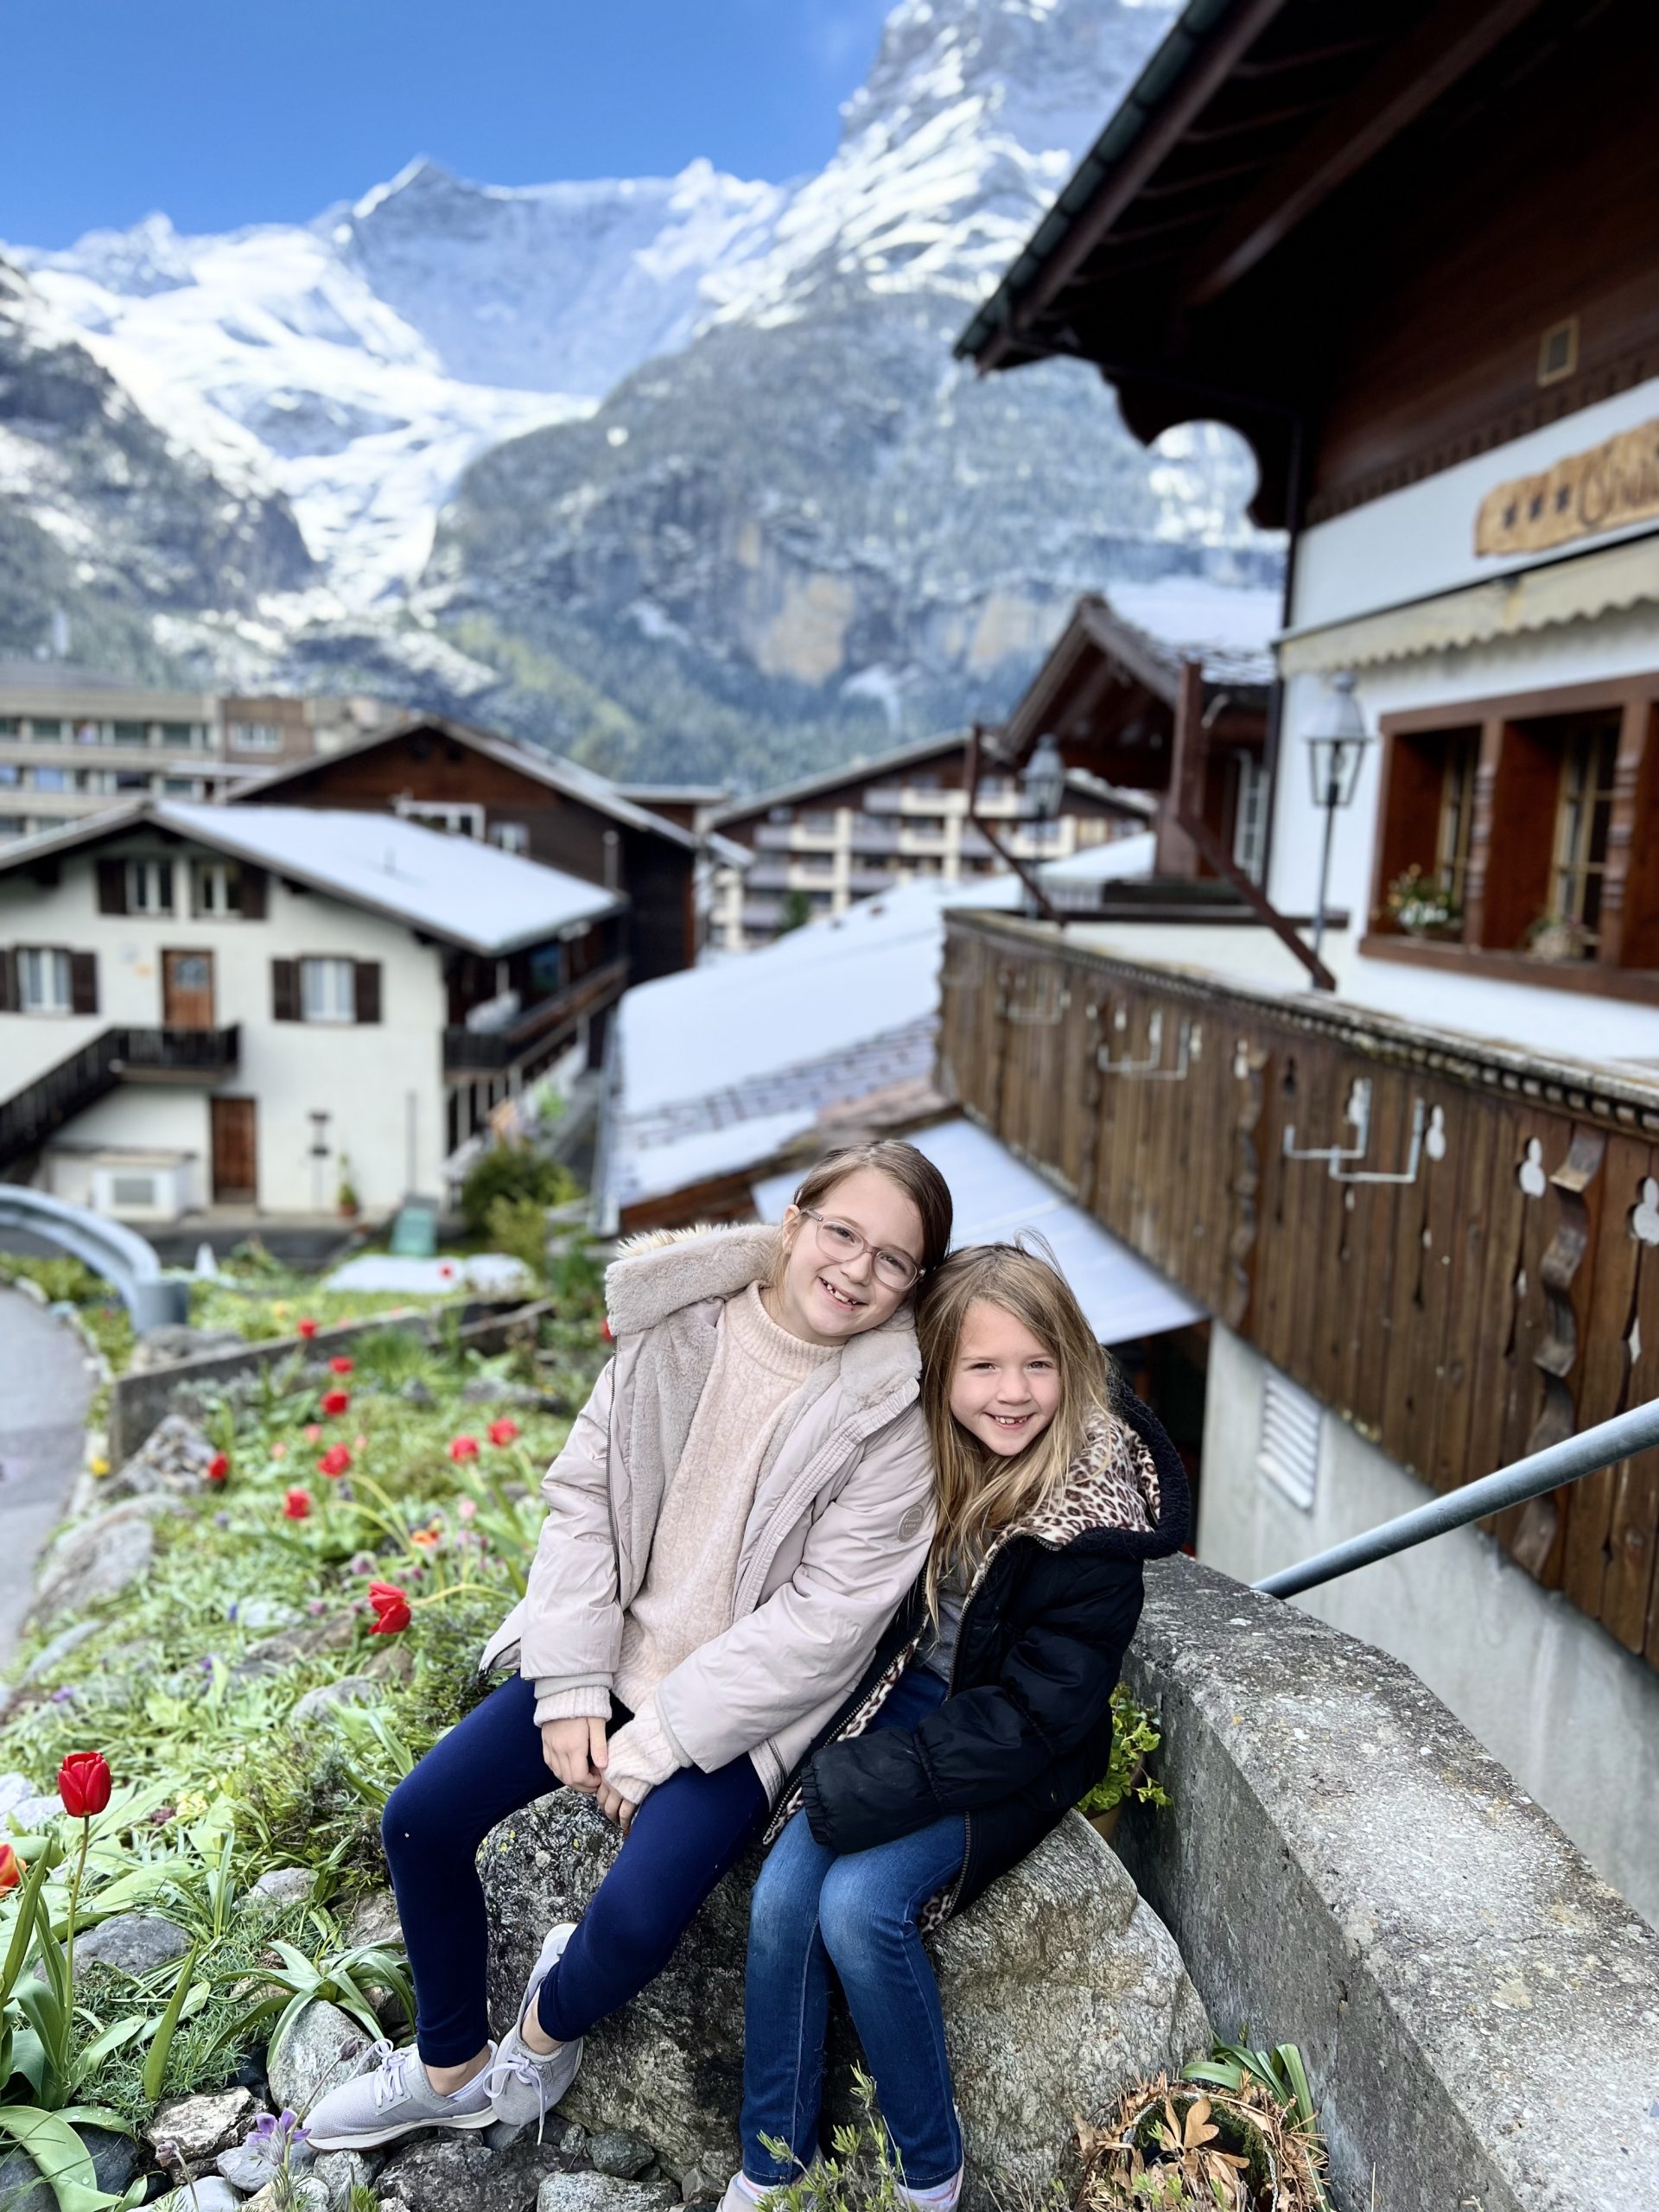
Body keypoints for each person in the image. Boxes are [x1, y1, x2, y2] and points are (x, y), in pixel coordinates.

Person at [305, 1141, 953, 2152]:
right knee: (420, 1820)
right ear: (794, 1221)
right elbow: (584, 1504)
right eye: (842, 1232)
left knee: (636, 1921)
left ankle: (534, 2038)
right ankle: (449, 2069)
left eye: (894, 1260)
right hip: (607, 1654)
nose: (857, 1269)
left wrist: (665, 1736)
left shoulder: (894, 1419)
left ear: (915, 1283)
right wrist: (568, 1681)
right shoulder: (676, 1326)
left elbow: (827, 1624)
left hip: (738, 1714)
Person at [728, 1242, 1190, 2212]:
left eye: (1037, 1363)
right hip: (907, 1702)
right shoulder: (921, 1453)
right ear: (941, 1373)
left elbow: (1038, 1712)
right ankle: (773, 2165)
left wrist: (870, 1780)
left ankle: (928, 2172)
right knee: (781, 1900)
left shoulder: (1089, 1519)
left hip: (1021, 1750)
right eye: (983, 1366)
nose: (1013, 1392)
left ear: (1073, 1360)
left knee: (860, 1908)